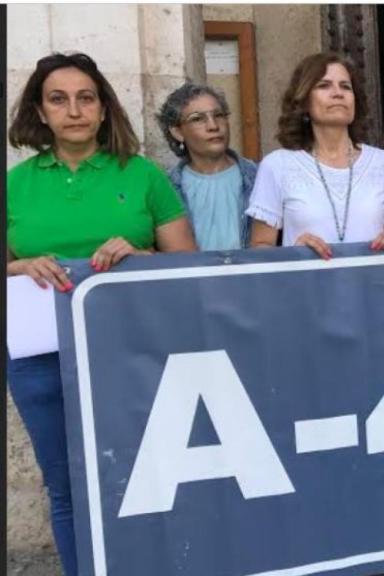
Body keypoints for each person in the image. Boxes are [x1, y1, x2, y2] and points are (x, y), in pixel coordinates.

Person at [6, 52, 197, 575]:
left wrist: (141, 256)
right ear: (40, 112)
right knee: (66, 484)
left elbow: (189, 267)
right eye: (58, 99)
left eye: (86, 98)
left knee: (148, 477)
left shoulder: (141, 176)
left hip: (133, 352)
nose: (74, 110)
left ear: (103, 108)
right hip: (38, 359)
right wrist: (18, 266)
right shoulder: (15, 184)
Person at [247, 52, 384, 256]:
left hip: (372, 284)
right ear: (304, 101)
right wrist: (294, 251)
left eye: (346, 86)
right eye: (324, 85)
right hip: (305, 285)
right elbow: (259, 248)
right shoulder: (277, 165)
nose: (338, 93)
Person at [158, 82, 258, 250]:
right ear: (177, 132)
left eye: (218, 115)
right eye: (197, 119)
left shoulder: (258, 177)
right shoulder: (165, 187)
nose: (213, 126)